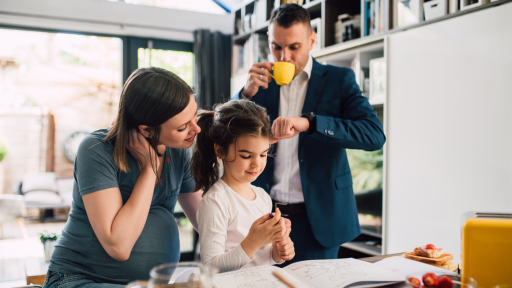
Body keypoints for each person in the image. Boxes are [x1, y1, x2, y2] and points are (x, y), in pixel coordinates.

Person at [232, 4, 386, 265]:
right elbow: (226, 134)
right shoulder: (260, 84)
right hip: (264, 214)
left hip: (319, 219)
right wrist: (243, 95)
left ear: (312, 40)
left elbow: (374, 135)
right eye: (276, 47)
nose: (284, 57)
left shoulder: (339, 80)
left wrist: (311, 123)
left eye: (294, 47)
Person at [44, 67, 203, 287]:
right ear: (146, 130)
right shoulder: (96, 150)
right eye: (183, 127)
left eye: (194, 115)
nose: (196, 129)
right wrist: (149, 170)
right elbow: (118, 246)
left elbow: (207, 222)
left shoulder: (179, 151)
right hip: (79, 279)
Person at [192, 100, 295, 273]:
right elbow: (210, 266)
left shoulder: (262, 196)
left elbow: (261, 258)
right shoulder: (215, 202)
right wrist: (252, 242)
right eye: (246, 156)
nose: (256, 164)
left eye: (263, 154)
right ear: (220, 151)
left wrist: (276, 252)